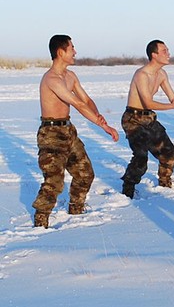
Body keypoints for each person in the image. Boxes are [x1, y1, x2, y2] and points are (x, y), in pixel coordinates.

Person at [33, 35, 119, 228]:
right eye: (72, 48)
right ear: (60, 52)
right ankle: (41, 221)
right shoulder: (52, 79)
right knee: (54, 181)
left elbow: (86, 100)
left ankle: (76, 210)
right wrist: (102, 126)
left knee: (85, 173)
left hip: (68, 130)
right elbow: (78, 103)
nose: (75, 51)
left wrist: (99, 115)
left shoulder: (70, 76)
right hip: (51, 134)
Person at [121, 40, 174, 198]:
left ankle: (164, 183)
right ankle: (128, 188)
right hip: (133, 119)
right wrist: (172, 107)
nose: (168, 53)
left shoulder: (161, 74)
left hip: (149, 118)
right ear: (154, 55)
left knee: (169, 154)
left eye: (168, 50)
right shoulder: (142, 74)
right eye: (164, 51)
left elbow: (173, 97)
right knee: (141, 157)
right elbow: (148, 102)